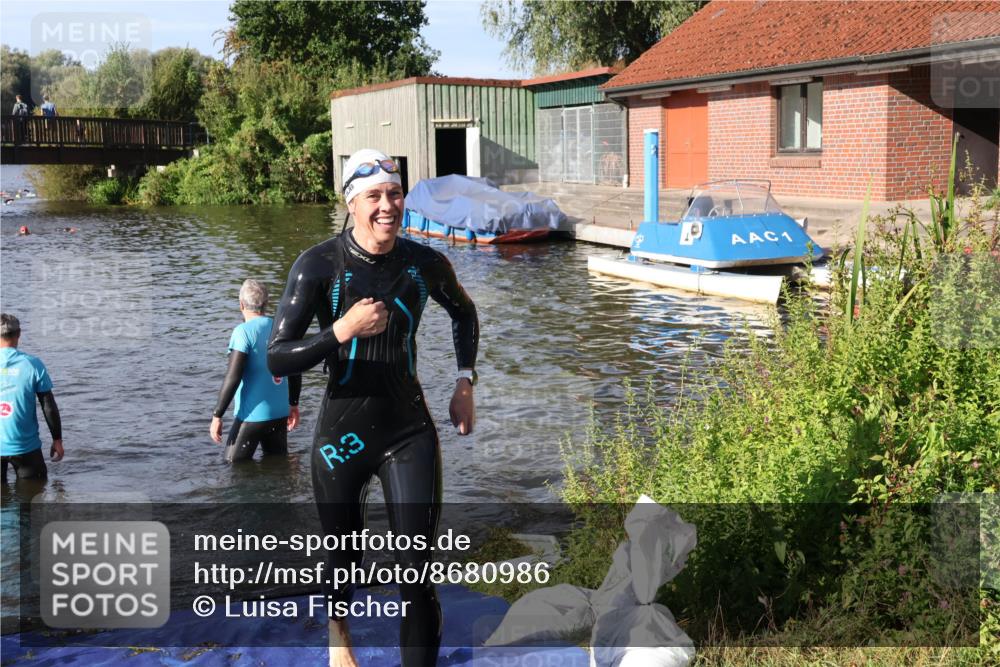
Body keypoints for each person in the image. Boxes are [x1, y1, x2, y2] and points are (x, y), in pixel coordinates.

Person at [268, 148, 478, 667]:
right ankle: (339, 640)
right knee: (344, 560)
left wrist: (465, 381)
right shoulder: (318, 265)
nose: (388, 206)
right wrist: (341, 330)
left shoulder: (425, 263)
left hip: (408, 431)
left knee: (416, 570)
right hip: (342, 437)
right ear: (350, 202)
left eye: (395, 193)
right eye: (374, 197)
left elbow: (465, 314)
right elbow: (277, 356)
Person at [210, 280, 301, 463]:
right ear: (265, 304)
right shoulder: (280, 328)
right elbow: (294, 368)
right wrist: (293, 404)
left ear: (241, 305)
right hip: (279, 413)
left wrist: (217, 415)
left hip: (252, 416)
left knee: (232, 467)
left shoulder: (242, 332)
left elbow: (233, 377)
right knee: (277, 468)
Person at [1, 314, 63, 483]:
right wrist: (57, 440)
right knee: (31, 501)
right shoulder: (32, 364)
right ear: (18, 334)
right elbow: (48, 406)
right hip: (25, 448)